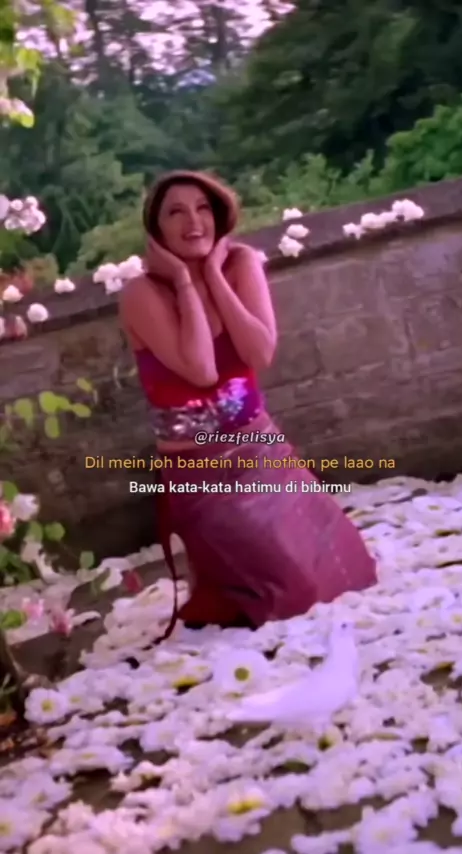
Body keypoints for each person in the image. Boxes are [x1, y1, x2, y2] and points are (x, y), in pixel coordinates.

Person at [119, 170, 376, 633]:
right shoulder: (143, 292)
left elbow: (260, 353)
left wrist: (214, 277)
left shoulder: (240, 263)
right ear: (156, 230)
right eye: (176, 212)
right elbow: (201, 369)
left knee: (348, 571)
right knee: (292, 593)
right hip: (200, 472)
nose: (193, 221)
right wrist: (184, 282)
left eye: (202, 208)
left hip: (263, 451)